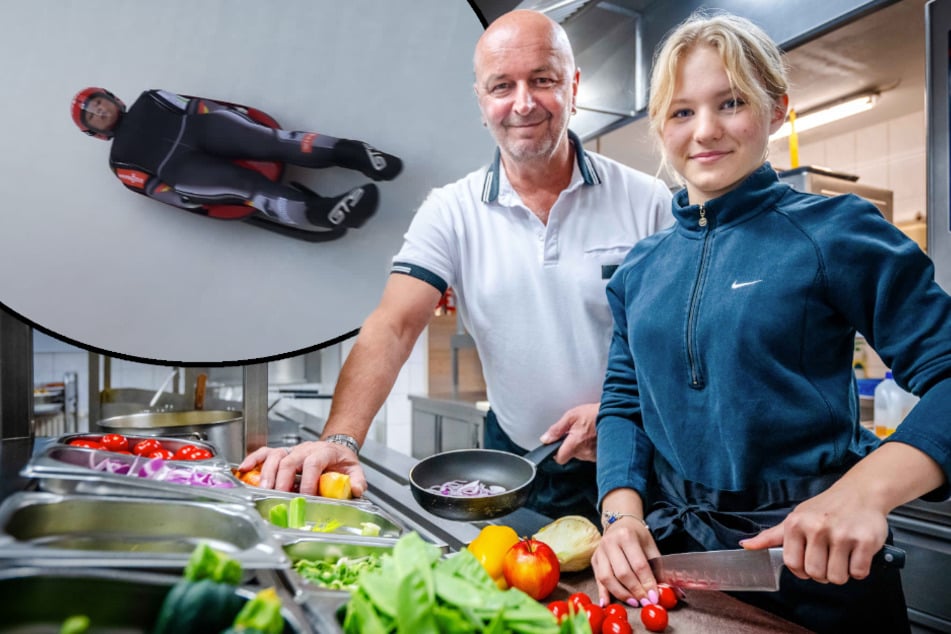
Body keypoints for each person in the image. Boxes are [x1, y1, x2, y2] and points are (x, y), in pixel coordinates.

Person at [590, 10, 951, 633]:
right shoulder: (640, 269)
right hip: (678, 563)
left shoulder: (837, 232)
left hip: (818, 560)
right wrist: (621, 518)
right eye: (681, 112)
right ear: (660, 126)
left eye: (730, 103)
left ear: (776, 108)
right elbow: (624, 403)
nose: (704, 131)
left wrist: (861, 492)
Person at [239, 9, 672, 522]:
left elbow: (680, 341)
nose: (524, 103)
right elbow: (395, 324)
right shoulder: (452, 210)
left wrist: (624, 409)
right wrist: (340, 438)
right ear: (481, 102)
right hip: (524, 465)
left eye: (543, 80)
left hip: (643, 454)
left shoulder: (646, 200)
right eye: (502, 86)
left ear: (573, 87)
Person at [71, 87, 402, 241]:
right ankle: (323, 212)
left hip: (204, 129)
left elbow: (196, 105)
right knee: (248, 188)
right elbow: (154, 189)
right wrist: (188, 201)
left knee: (272, 141)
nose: (99, 111)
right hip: (184, 171)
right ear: (94, 131)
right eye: (92, 115)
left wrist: (235, 117)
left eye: (99, 103)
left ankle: (357, 154)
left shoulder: (150, 98)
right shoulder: (119, 163)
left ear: (113, 99)